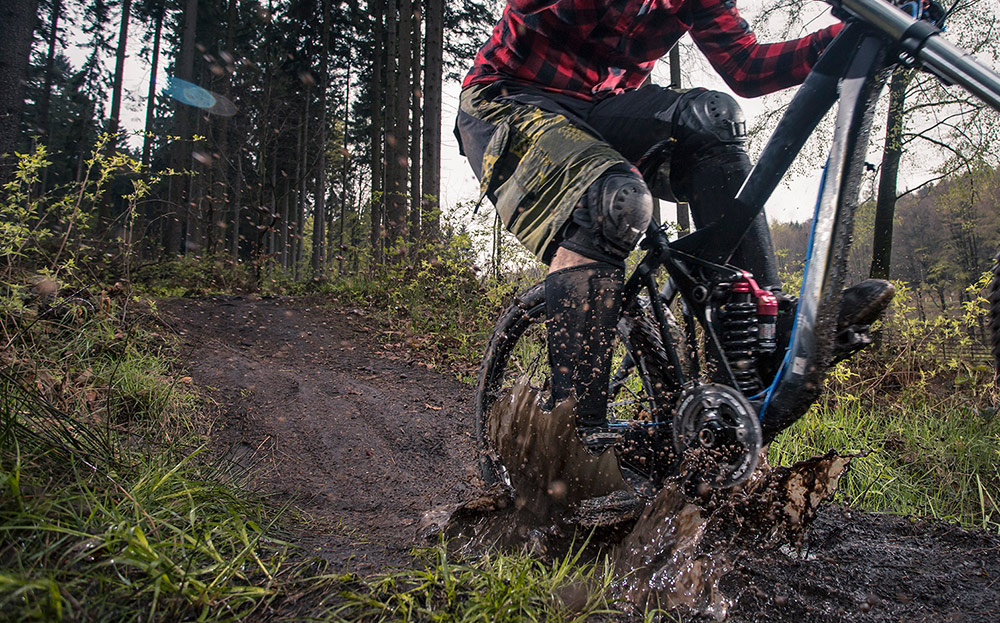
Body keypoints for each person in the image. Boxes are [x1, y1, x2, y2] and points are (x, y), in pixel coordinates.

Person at [456, 0, 894, 449]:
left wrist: (858, 33)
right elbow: (542, 13)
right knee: (617, 202)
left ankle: (758, 331)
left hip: (604, 108)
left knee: (714, 118)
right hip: (508, 97)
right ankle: (573, 443)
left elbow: (748, 68)